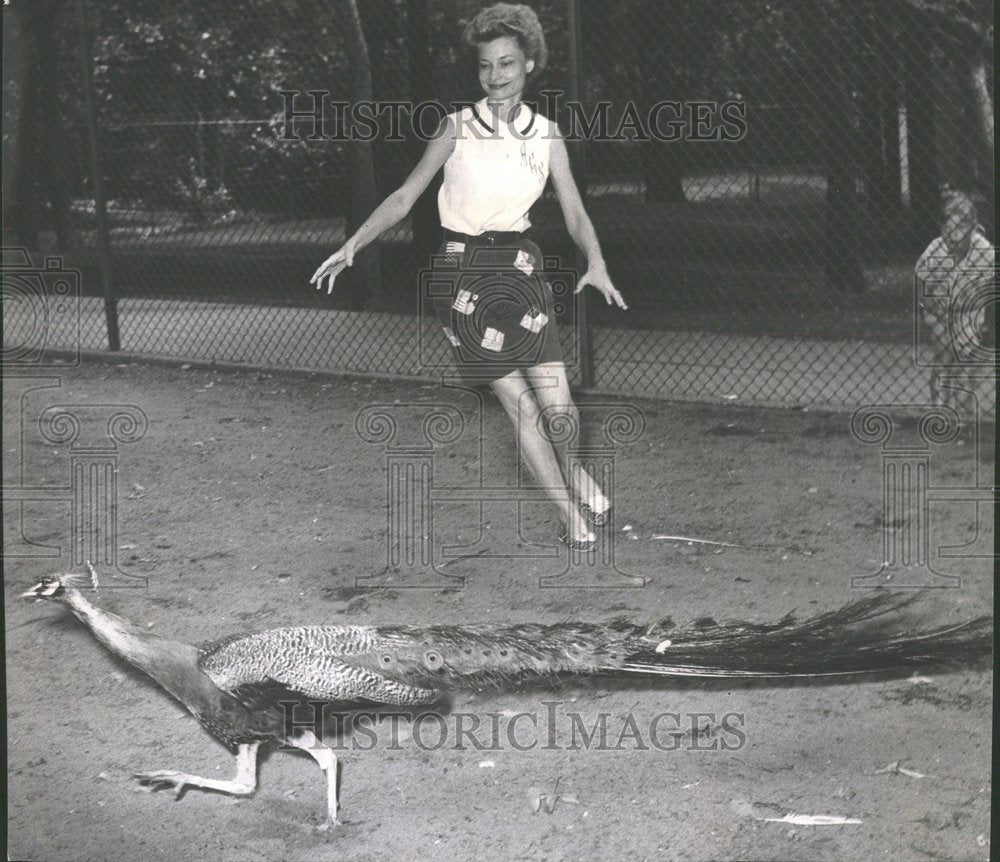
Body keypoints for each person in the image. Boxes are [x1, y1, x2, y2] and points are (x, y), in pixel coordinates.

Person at [311, 3, 627, 551]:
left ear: (529, 63)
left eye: (507, 63)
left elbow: (573, 209)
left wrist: (596, 261)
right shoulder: (456, 127)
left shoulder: (547, 135)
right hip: (461, 278)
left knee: (560, 405)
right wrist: (355, 243)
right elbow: (407, 195)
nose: (496, 75)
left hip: (522, 271)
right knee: (522, 405)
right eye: (486, 66)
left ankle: (574, 473)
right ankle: (568, 515)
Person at [914, 188, 995, 423]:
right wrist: (932, 305)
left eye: (959, 229)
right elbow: (922, 284)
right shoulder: (936, 249)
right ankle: (939, 409)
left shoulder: (984, 252)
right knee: (944, 356)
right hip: (939, 313)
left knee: (966, 359)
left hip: (970, 314)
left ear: (973, 228)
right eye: (947, 230)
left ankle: (965, 411)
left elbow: (985, 293)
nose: (952, 236)